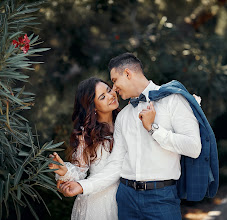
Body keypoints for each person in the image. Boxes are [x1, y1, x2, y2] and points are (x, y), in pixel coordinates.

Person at [59, 53, 203, 220]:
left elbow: (194, 147)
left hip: (161, 198)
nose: (114, 89)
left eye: (114, 81)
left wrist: (153, 129)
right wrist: (82, 186)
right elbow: (116, 164)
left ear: (127, 74)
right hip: (126, 199)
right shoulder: (123, 116)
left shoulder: (173, 100)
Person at [49, 77, 120, 220]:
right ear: (93, 107)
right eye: (102, 97)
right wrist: (65, 171)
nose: (110, 96)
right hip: (99, 204)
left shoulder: (126, 119)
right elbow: (79, 172)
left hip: (127, 199)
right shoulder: (87, 135)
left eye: (109, 90)